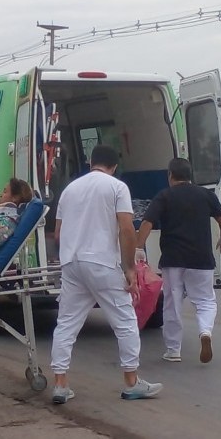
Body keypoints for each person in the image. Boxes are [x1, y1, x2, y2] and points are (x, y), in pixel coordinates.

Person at [50, 144, 162, 404]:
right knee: (124, 321)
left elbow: (58, 233)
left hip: (72, 263)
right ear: (114, 167)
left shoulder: (69, 190)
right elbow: (125, 229)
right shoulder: (116, 187)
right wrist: (129, 268)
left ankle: (60, 384)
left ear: (91, 162)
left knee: (67, 323)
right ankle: (132, 382)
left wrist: (69, 254)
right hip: (102, 262)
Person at [136, 157, 221, 364]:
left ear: (170, 175)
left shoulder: (164, 196)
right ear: (190, 175)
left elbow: (147, 222)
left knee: (172, 303)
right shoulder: (205, 195)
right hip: (202, 259)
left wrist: (138, 248)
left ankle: (173, 350)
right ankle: (205, 332)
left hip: (173, 258)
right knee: (205, 301)